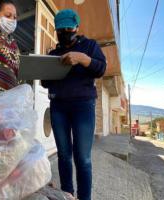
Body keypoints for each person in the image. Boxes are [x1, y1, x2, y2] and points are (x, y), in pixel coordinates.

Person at [42, 9, 107, 200]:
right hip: (58, 107)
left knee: (83, 158)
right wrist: (45, 70)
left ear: (77, 27)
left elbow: (101, 68)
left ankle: (84, 197)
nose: (64, 32)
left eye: (68, 28)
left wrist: (82, 59)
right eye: (60, 30)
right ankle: (67, 194)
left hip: (83, 106)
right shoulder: (54, 53)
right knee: (63, 155)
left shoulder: (90, 46)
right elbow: (46, 83)